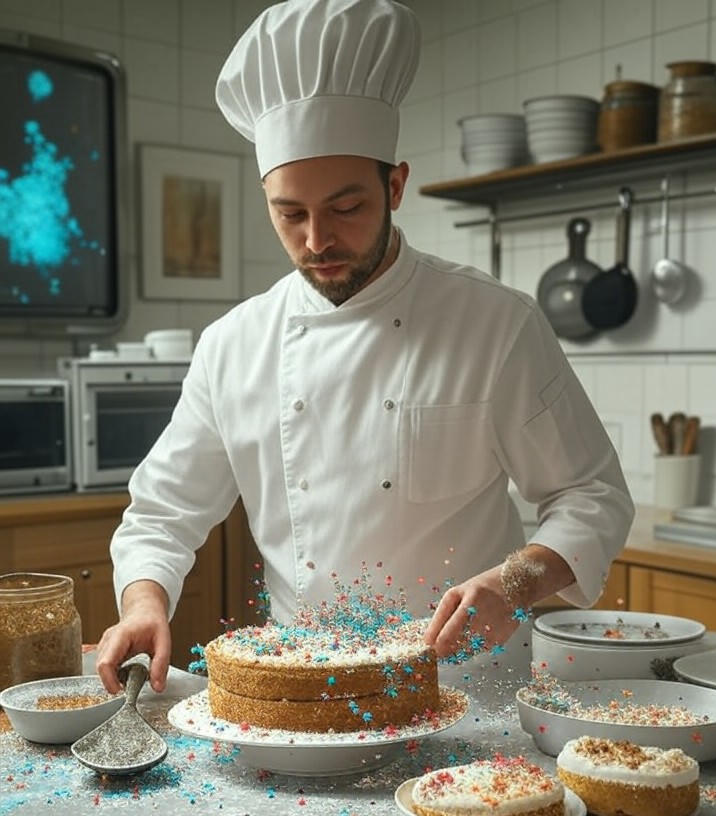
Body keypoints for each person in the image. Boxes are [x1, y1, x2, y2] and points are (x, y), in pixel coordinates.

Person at [97, 0, 634, 695]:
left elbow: (593, 495)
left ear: (396, 185)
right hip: (302, 686)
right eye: (290, 213)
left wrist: (515, 582)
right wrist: (144, 604)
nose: (317, 239)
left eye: (346, 208)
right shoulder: (234, 346)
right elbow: (163, 513)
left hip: (467, 688)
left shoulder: (495, 323)